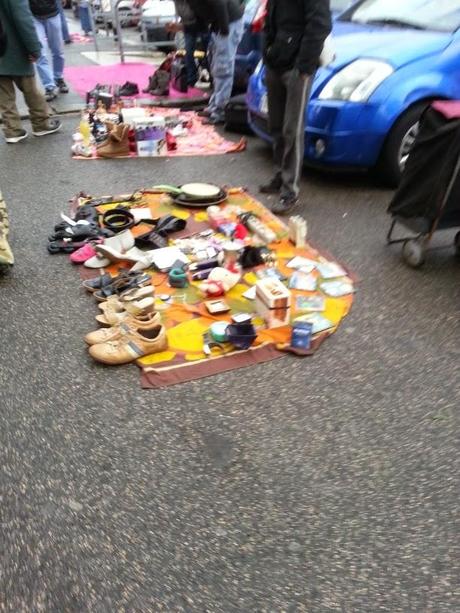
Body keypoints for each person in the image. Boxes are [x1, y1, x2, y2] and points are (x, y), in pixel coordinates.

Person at [260, 0, 331, 214]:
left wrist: (304, 66)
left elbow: (320, 24)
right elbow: (270, 17)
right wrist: (268, 52)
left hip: (297, 69)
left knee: (292, 129)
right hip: (276, 62)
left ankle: (290, 191)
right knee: (276, 125)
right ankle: (280, 175)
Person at [0, 0, 62, 144]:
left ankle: (12, 130)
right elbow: (23, 19)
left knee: (4, 95)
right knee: (30, 89)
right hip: (13, 48)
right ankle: (41, 124)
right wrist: (34, 48)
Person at [191, 0, 245, 125]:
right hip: (222, 24)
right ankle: (214, 107)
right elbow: (199, 13)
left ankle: (219, 112)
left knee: (223, 68)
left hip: (228, 23)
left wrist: (224, 28)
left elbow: (220, 3)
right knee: (217, 67)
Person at [29, 0, 69, 101]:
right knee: (40, 54)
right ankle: (49, 87)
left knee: (58, 51)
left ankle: (58, 77)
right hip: (34, 16)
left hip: (53, 14)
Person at [168, 0, 209, 88]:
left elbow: (198, 17)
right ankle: (191, 79)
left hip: (200, 25)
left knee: (208, 51)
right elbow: (183, 17)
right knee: (188, 51)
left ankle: (210, 76)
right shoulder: (177, 3)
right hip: (188, 26)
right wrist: (178, 26)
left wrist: (180, 26)